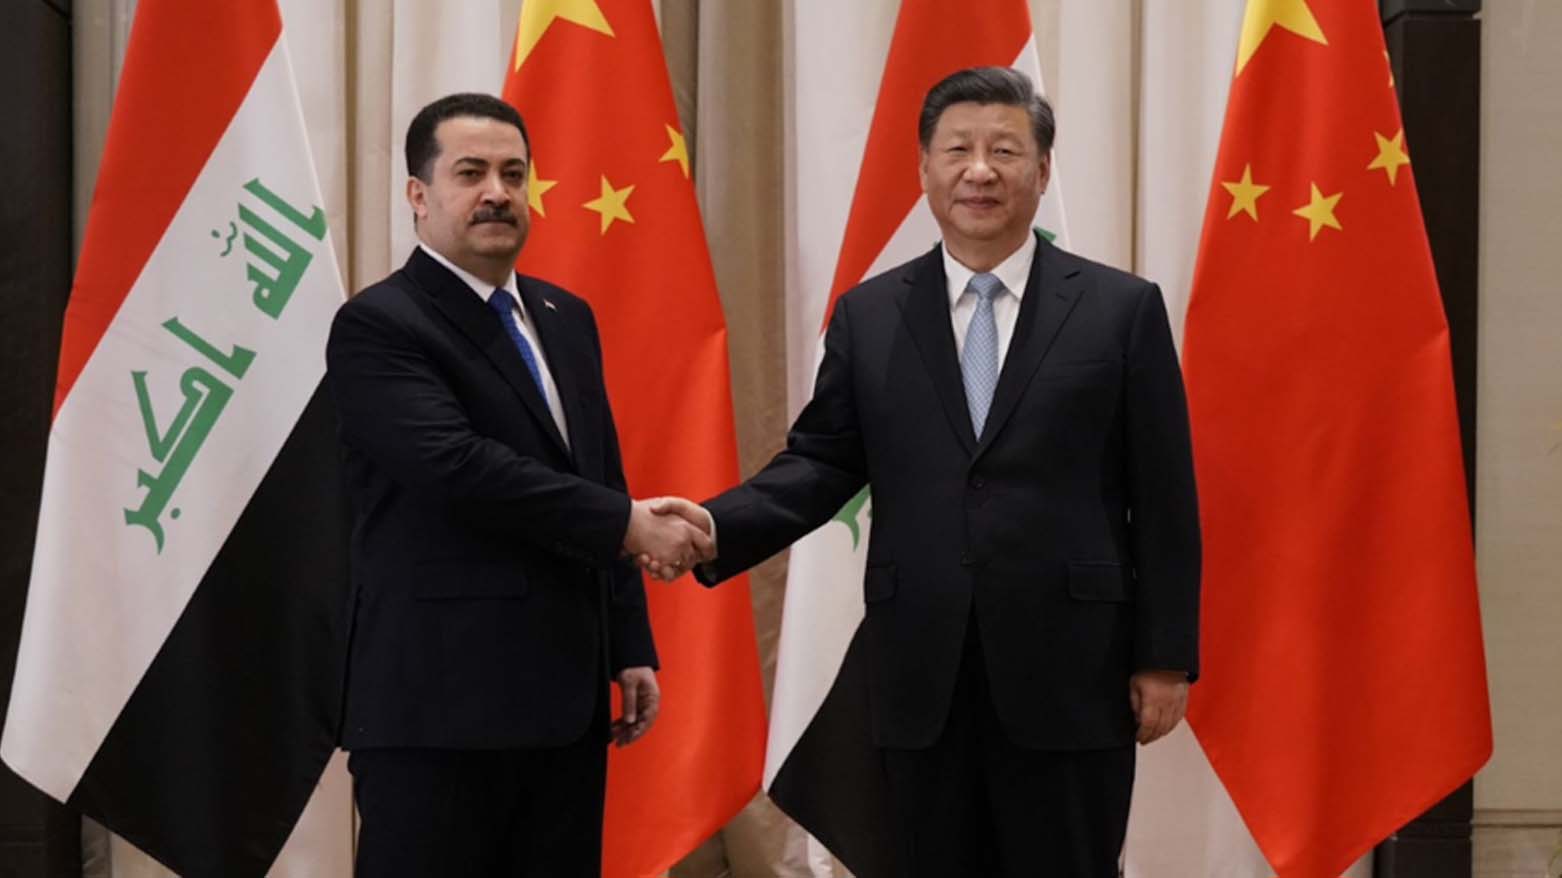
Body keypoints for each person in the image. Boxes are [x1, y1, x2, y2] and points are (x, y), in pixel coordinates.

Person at [654, 67, 1201, 876]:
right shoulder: (871, 315)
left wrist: (1164, 656)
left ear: (1042, 171)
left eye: (1005, 150)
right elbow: (821, 461)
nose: (980, 170)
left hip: (1072, 668)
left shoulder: (1120, 310)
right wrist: (715, 526)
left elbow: (1164, 496)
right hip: (920, 672)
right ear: (924, 169)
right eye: (959, 150)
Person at [325, 92, 710, 878]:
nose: (497, 191)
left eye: (513, 172)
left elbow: (599, 473)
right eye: (470, 172)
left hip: (563, 706)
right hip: (436, 708)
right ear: (419, 194)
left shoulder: (565, 316)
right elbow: (458, 467)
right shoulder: (379, 324)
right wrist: (631, 526)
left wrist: (628, 640)